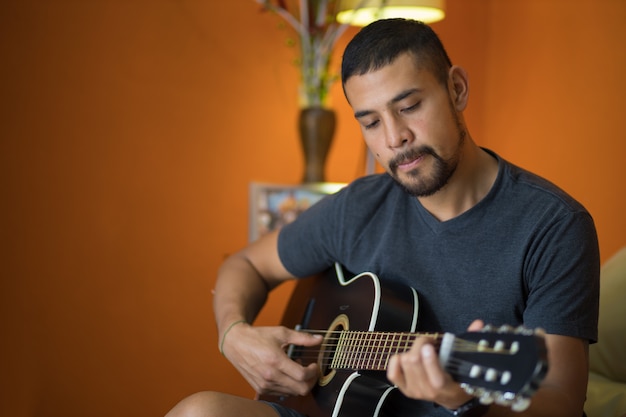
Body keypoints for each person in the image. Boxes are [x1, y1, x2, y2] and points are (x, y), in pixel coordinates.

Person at [166, 18, 599, 417]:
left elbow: (560, 398)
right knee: (199, 410)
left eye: (409, 106)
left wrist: (465, 399)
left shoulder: (553, 224)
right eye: (370, 122)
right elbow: (243, 265)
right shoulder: (359, 206)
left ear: (457, 89)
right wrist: (234, 335)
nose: (395, 138)